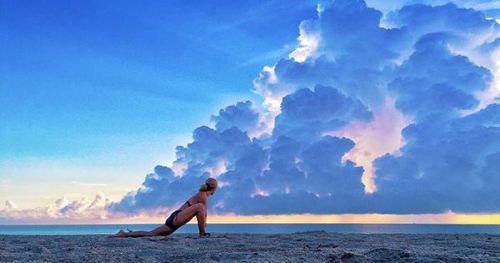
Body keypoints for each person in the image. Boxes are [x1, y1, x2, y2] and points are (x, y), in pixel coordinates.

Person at [111, 177, 218, 238]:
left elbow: (204, 215)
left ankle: (124, 234)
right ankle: (202, 234)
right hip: (177, 217)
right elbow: (203, 213)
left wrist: (204, 222)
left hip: (174, 220)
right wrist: (204, 229)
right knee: (199, 207)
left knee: (150, 234)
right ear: (214, 188)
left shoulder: (203, 195)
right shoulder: (202, 194)